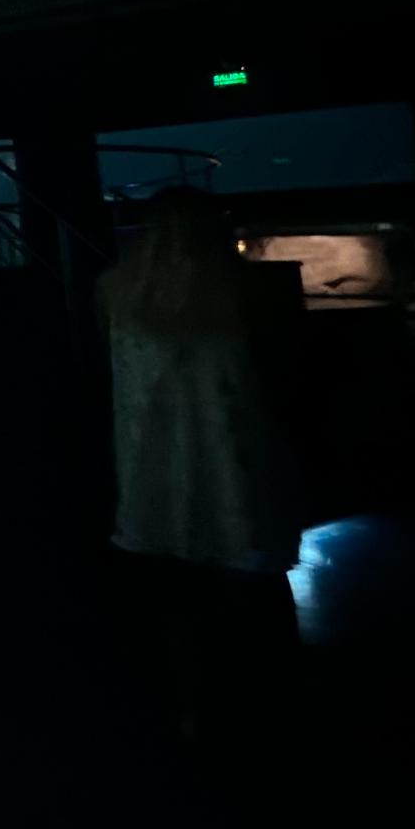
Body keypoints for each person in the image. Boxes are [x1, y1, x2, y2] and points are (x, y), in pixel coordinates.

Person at [98, 187, 306, 755]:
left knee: (179, 610)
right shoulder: (247, 293)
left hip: (151, 476)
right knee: (258, 600)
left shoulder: (116, 292)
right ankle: (275, 720)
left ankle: (190, 716)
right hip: (242, 468)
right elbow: (286, 382)